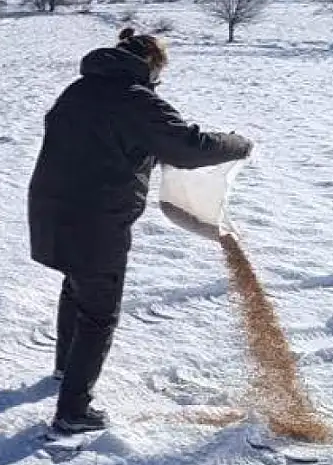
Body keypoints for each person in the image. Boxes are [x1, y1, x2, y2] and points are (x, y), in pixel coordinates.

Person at [28, 28, 253, 435]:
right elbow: (188, 146)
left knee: (76, 286)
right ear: (150, 65)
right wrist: (239, 144)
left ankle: (66, 368)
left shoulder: (78, 90)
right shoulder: (134, 99)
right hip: (95, 219)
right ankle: (73, 411)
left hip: (51, 211)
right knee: (99, 312)